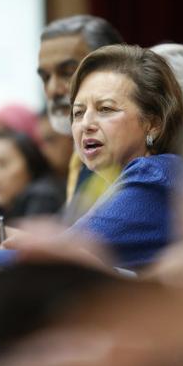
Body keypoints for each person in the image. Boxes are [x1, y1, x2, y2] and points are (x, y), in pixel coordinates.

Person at [0, 44, 183, 270]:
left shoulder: (153, 176)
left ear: (154, 123)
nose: (86, 124)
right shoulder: (113, 182)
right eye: (78, 112)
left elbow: (60, 260)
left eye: (106, 109)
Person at [36, 15, 124, 220]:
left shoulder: (130, 157)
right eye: (45, 77)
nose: (52, 90)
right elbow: (71, 235)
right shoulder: (81, 154)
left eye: (67, 72)